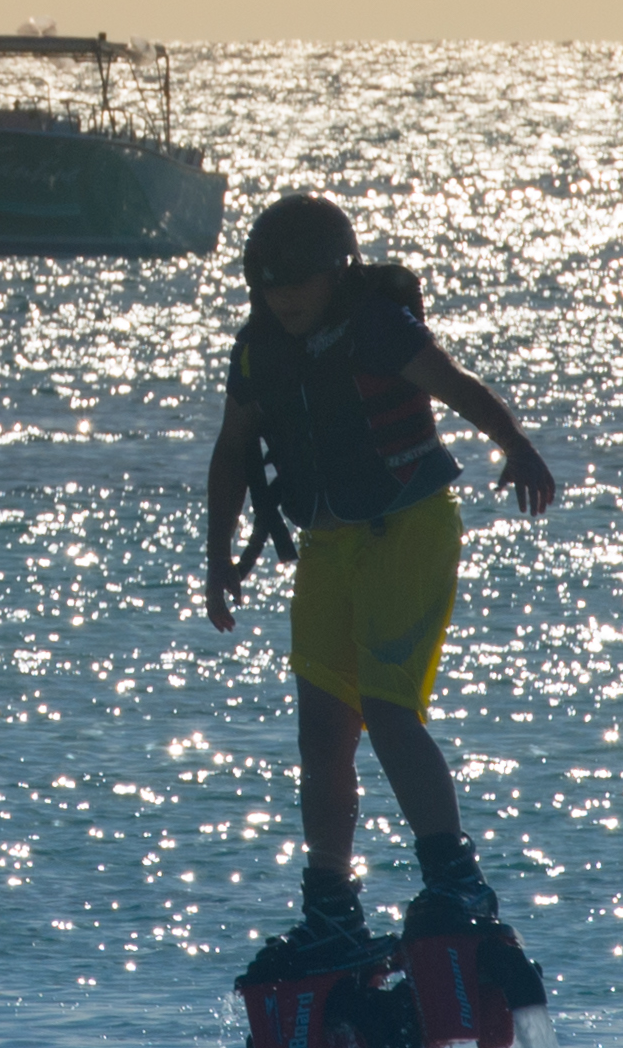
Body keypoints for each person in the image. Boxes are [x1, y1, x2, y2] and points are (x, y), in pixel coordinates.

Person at [204, 192, 557, 964]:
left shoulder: (374, 324)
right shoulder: (258, 349)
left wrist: (516, 444)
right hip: (328, 543)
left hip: (408, 525)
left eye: (298, 281)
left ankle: (455, 883)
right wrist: (217, 559)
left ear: (339, 273)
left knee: (388, 711)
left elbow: (456, 385)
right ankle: (331, 904)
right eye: (268, 284)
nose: (284, 298)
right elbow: (232, 451)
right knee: (323, 729)